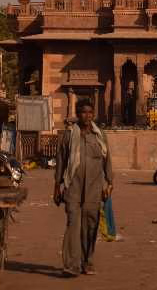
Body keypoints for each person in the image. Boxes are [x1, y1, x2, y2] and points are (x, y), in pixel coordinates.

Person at [54, 99, 114, 276]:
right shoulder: (69, 135)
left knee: (90, 226)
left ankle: (87, 261)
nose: (87, 116)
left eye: (90, 112)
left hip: (94, 188)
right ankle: (71, 265)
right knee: (73, 224)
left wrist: (110, 183)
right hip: (73, 186)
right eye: (83, 112)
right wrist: (57, 186)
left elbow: (107, 160)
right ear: (77, 114)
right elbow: (61, 162)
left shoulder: (100, 135)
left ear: (93, 114)